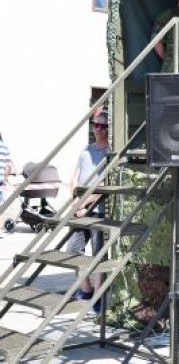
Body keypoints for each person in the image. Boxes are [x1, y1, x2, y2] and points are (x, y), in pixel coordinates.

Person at [67, 111, 110, 312]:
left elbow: (105, 185)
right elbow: (73, 179)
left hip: (97, 210)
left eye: (103, 125)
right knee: (73, 250)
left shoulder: (109, 153)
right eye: (96, 125)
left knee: (98, 254)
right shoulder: (85, 150)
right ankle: (86, 289)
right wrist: (75, 203)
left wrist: (85, 204)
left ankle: (98, 297)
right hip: (79, 210)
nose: (98, 129)